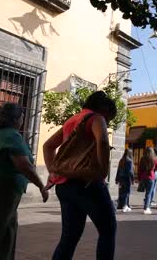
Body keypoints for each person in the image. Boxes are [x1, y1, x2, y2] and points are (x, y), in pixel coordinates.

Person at [43, 91, 117, 260]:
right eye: (109, 118)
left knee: (69, 237)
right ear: (104, 109)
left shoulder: (72, 120)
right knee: (108, 230)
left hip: (65, 186)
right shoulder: (97, 118)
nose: (108, 122)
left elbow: (48, 146)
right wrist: (103, 171)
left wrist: (53, 172)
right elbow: (103, 142)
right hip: (87, 183)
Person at [0, 103, 49, 260]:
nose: (23, 120)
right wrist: (41, 186)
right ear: (15, 119)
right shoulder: (12, 135)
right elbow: (23, 165)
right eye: (22, 117)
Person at [138, 147, 157, 214]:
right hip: (151, 177)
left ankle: (146, 206)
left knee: (147, 193)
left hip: (143, 177)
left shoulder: (142, 158)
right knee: (148, 193)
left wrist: (139, 178)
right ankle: (146, 208)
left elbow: (139, 169)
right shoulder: (155, 159)